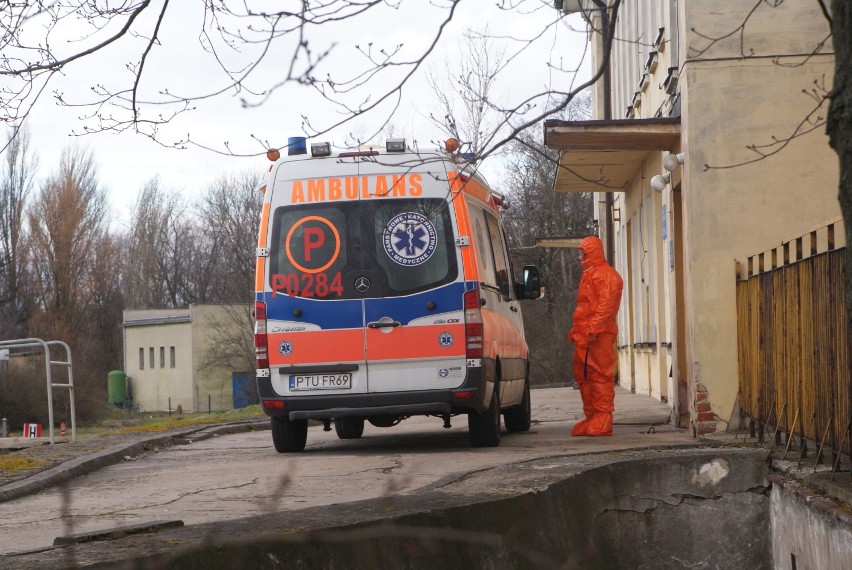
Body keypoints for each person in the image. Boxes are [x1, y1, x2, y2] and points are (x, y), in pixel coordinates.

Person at [567, 236, 623, 436]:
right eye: (580, 253)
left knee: (600, 376)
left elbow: (605, 306)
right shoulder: (589, 274)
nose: (580, 256)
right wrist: (577, 329)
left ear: (592, 253)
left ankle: (603, 417)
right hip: (585, 336)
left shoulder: (606, 275)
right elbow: (585, 307)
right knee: (583, 377)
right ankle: (591, 416)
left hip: (598, 337)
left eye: (583, 252)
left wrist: (594, 328)